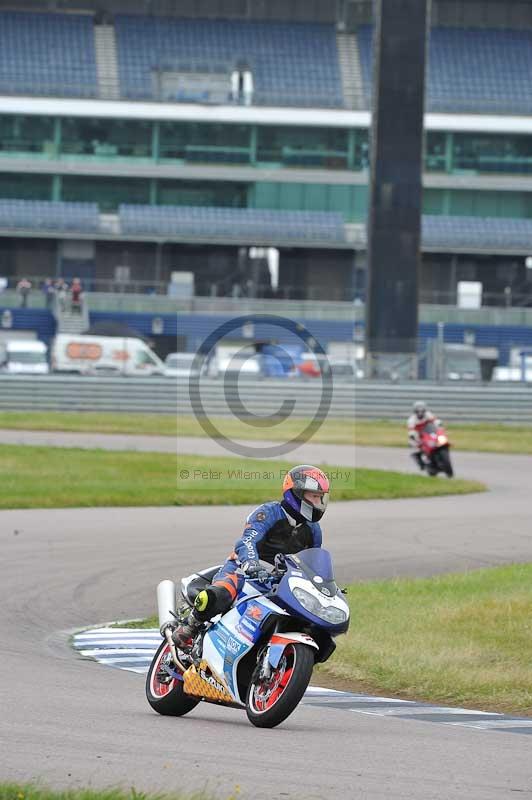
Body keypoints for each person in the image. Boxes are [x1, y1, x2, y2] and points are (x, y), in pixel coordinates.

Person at [165, 464, 330, 650]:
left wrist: (321, 586)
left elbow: (312, 563)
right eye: (313, 496)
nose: (317, 503)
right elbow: (247, 541)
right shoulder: (268, 513)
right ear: (296, 494)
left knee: (313, 623)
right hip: (243, 570)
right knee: (217, 595)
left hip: (281, 582)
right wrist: (251, 563)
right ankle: (190, 625)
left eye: (320, 497)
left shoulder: (314, 531)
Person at [407, 400, 441, 470]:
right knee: (414, 446)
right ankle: (420, 462)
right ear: (415, 410)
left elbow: (435, 421)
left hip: (429, 433)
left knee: (439, 440)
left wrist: (439, 425)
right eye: (418, 410)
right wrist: (413, 436)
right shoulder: (411, 420)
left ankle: (439, 456)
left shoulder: (428, 414)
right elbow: (411, 431)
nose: (420, 412)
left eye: (422, 409)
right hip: (418, 436)